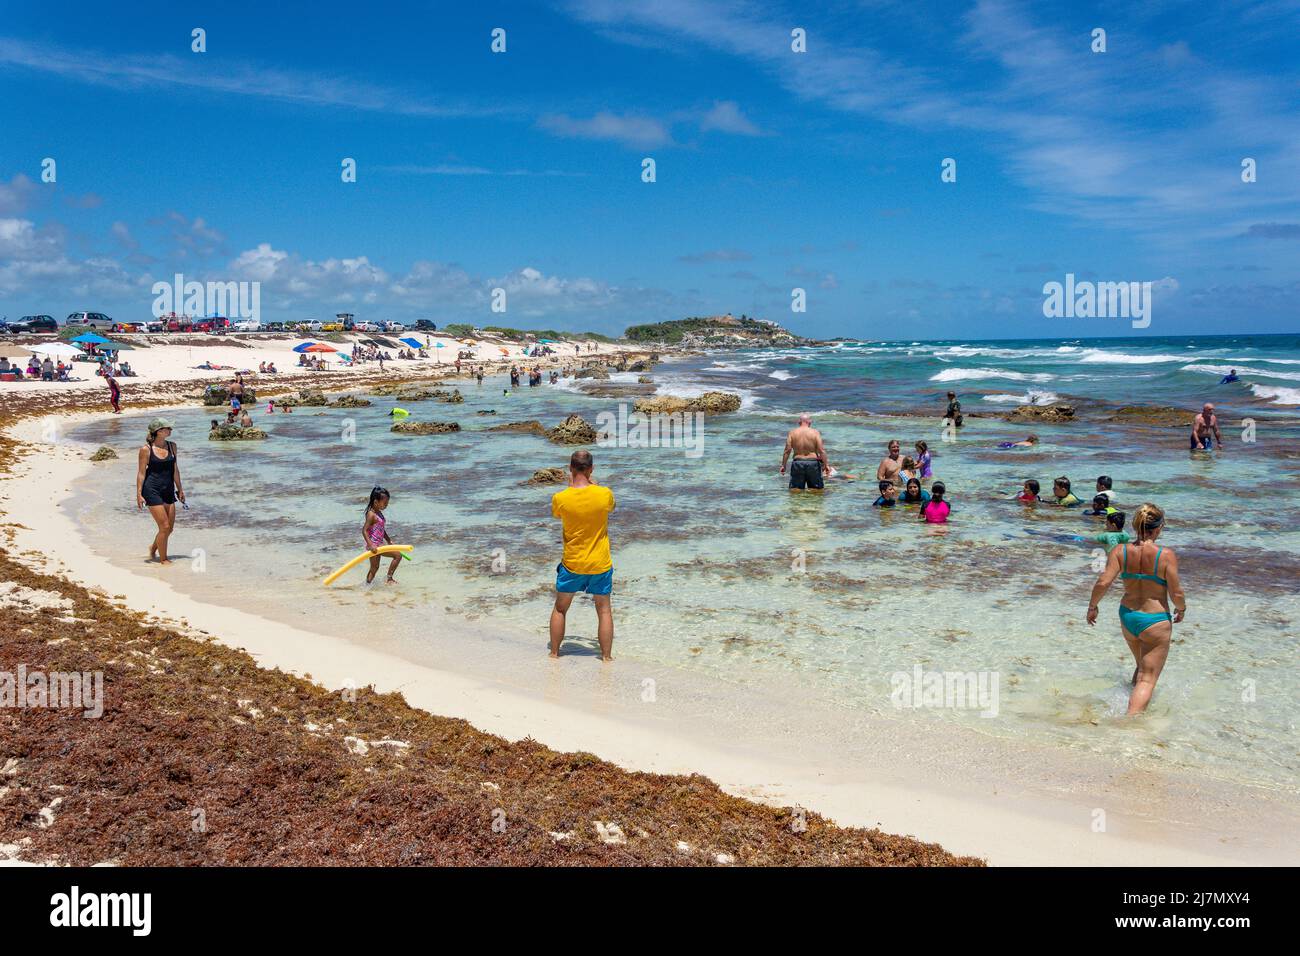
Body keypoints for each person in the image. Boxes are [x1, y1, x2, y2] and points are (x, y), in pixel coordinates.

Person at [1086, 503, 1185, 715]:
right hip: (1155, 619)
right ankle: (1129, 725)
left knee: (1141, 666)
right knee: (1148, 679)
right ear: (1159, 528)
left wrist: (1093, 606)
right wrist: (1181, 608)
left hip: (1128, 616)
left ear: (1134, 526)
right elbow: (1176, 592)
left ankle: (1127, 702)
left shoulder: (1120, 551)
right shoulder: (1165, 555)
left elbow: (1103, 582)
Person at [550, 450, 615, 661]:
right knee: (604, 610)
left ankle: (554, 654)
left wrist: (571, 488)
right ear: (591, 469)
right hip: (600, 562)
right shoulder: (604, 494)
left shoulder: (560, 498)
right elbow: (610, 507)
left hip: (572, 563)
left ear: (570, 468)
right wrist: (593, 484)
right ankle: (606, 658)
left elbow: (558, 513)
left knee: (560, 609)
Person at [136, 418, 184, 564]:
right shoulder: (146, 450)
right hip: (152, 489)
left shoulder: (172, 446)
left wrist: (180, 489)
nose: (171, 430)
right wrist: (139, 494)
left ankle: (153, 548)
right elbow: (141, 473)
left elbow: (175, 469)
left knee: (169, 529)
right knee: (164, 526)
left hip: (168, 489)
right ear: (159, 431)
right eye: (167, 428)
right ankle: (163, 559)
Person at [361, 486, 401, 585]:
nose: (386, 505)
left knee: (375, 568)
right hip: (374, 546)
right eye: (385, 503)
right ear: (376, 502)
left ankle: (367, 585)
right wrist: (370, 545)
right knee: (397, 556)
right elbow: (364, 530)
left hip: (379, 544)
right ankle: (389, 578)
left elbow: (381, 529)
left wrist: (389, 540)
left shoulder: (379, 513)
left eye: (387, 503)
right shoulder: (371, 514)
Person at [779, 414, 829, 491]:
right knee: (816, 490)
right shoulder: (815, 432)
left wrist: (783, 465)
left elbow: (787, 450)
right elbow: (821, 451)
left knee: (795, 490)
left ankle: (798, 503)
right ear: (810, 422)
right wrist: (826, 465)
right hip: (813, 463)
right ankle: (812, 503)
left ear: (799, 422)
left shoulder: (792, 433)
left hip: (798, 463)